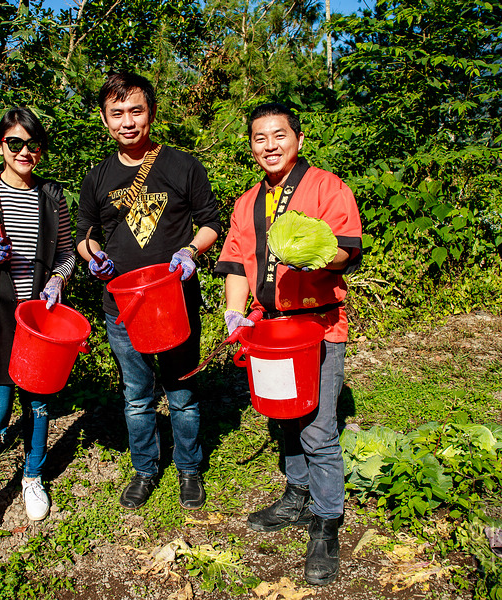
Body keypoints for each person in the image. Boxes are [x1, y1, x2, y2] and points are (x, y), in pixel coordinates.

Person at [215, 103, 362, 586]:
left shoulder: (327, 187)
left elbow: (346, 249)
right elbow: (236, 263)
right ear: (252, 145)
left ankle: (326, 521)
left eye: (279, 135)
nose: (270, 145)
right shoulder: (246, 202)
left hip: (317, 326)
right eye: (260, 137)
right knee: (284, 413)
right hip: (268, 328)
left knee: (319, 428)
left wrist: (317, 257)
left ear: (298, 138)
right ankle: (297, 493)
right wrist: (234, 314)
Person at [75, 72, 222, 512]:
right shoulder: (96, 177)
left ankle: (189, 468)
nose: (127, 121)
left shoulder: (182, 166)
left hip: (175, 300)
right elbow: (85, 233)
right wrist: (92, 255)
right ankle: (144, 470)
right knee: (137, 395)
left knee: (181, 392)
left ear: (151, 114)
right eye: (117, 113)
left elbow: (212, 221)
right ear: (104, 120)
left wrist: (191, 250)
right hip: (122, 307)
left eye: (135, 111)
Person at [0, 107, 75, 553]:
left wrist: (58, 279)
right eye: (15, 144)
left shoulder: (52, 196)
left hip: (39, 319)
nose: (25, 152)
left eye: (32, 145)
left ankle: (33, 477)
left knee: (39, 405)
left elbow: (66, 254)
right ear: (1, 146)